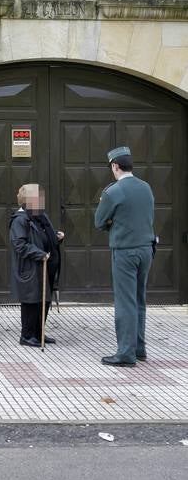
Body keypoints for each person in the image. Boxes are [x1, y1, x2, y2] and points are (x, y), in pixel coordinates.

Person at [94, 146, 155, 367]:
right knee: (139, 300)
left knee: (125, 302)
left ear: (115, 166)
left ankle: (126, 353)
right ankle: (139, 348)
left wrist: (113, 221)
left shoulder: (112, 192)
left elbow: (99, 222)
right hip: (146, 249)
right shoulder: (146, 187)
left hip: (125, 252)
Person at [9, 183, 64, 347]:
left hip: (46, 265)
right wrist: (40, 254)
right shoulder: (20, 220)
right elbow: (19, 244)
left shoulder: (40, 216)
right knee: (31, 301)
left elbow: (43, 235)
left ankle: (39, 333)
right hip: (31, 267)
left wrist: (56, 237)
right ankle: (26, 336)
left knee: (44, 300)